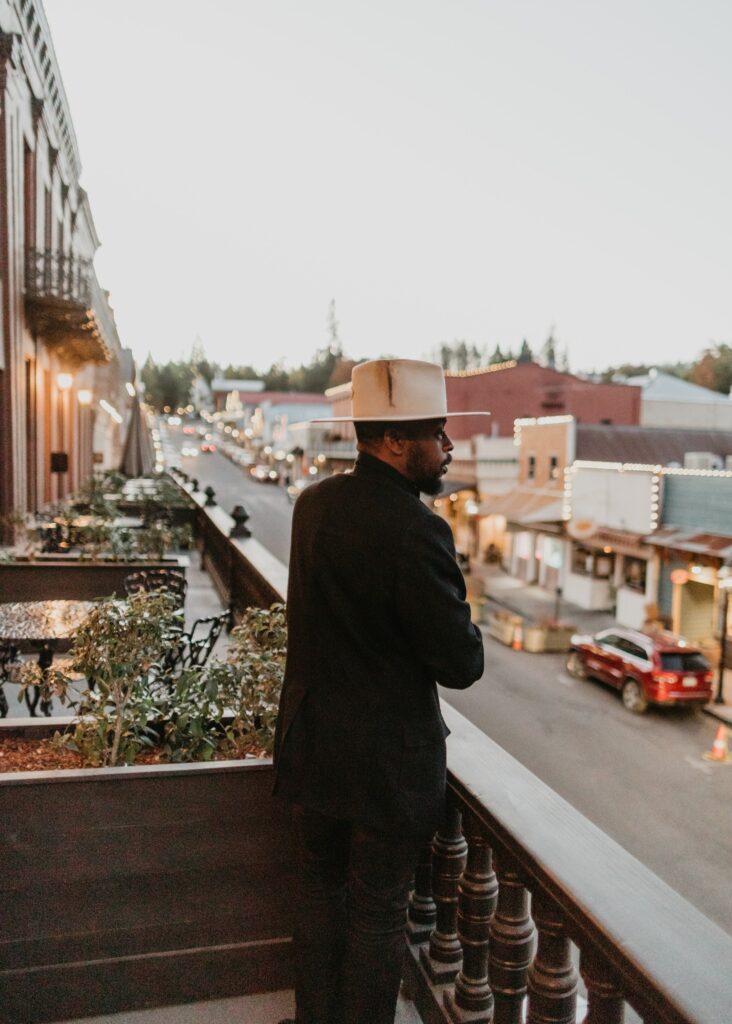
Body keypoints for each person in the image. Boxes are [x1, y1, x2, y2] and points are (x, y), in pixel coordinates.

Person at [272, 358, 487, 1024]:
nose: (449, 446)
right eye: (438, 433)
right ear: (396, 442)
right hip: (386, 768)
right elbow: (461, 664)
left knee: (316, 897)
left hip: (310, 747)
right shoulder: (416, 528)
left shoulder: (312, 504)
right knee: (375, 915)